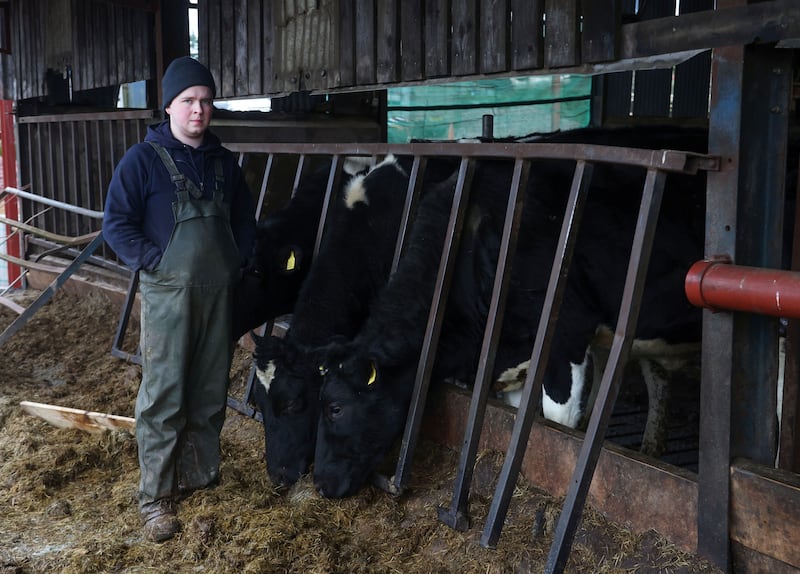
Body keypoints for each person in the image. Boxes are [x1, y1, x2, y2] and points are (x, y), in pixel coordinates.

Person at [103, 56, 256, 543]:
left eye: (206, 101)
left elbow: (246, 224)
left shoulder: (225, 164)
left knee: (210, 390)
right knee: (164, 394)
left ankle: (198, 477)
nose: (199, 110)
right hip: (168, 295)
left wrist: (241, 260)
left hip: (219, 294)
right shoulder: (142, 161)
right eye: (189, 101)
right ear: (169, 105)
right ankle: (155, 497)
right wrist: (154, 261)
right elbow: (116, 224)